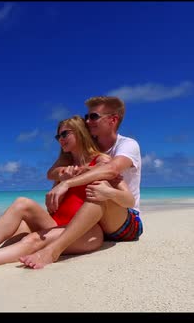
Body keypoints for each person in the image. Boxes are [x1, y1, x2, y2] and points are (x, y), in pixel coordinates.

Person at [0, 115, 135, 271]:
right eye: (57, 136)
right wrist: (61, 180)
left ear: (80, 132)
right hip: (57, 224)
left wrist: (108, 192)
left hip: (85, 231)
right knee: (22, 203)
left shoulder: (101, 161)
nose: (60, 139)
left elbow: (128, 200)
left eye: (65, 134)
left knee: (32, 239)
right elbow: (52, 190)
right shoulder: (64, 167)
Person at [19, 96, 143, 269]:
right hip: (92, 222)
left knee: (98, 190)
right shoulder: (90, 149)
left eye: (93, 116)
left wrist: (68, 183)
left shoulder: (128, 145)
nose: (87, 121)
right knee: (28, 227)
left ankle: (53, 251)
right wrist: (64, 175)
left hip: (123, 217)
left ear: (113, 119)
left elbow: (111, 170)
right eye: (87, 117)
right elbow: (51, 173)